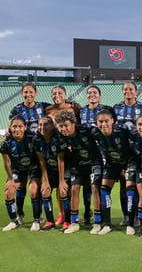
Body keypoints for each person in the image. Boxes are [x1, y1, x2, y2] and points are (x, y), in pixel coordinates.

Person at [90, 109, 136, 235]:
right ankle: (107, 224)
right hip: (112, 163)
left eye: (106, 121)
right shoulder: (94, 133)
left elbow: (137, 139)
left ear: (112, 121)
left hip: (128, 161)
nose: (103, 124)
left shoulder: (122, 130)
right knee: (104, 190)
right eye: (100, 121)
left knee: (130, 189)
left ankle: (131, 223)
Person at [55, 111, 101, 234]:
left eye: (66, 125)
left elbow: (102, 139)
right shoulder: (61, 137)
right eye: (60, 126)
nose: (63, 129)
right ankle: (74, 223)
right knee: (74, 189)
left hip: (94, 163)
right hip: (78, 165)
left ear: (73, 124)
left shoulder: (87, 130)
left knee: (95, 188)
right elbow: (60, 158)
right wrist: (61, 181)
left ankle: (97, 222)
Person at [46, 85, 84, 226]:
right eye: (54, 93)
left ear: (65, 94)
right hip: (57, 148)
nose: (57, 95)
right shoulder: (47, 109)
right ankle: (62, 214)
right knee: (59, 185)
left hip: (73, 148)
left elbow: (79, 124)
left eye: (60, 92)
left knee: (74, 184)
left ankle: (77, 214)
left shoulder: (74, 107)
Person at [113, 81, 142, 226]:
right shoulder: (116, 108)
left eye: (131, 89)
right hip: (122, 151)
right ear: (122, 92)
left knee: (141, 184)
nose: (128, 91)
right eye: (125, 89)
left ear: (136, 92)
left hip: (140, 151)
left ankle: (139, 216)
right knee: (124, 182)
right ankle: (127, 215)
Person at [0, 116, 42, 232]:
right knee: (9, 192)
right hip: (17, 169)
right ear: (10, 127)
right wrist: (10, 178)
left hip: (33, 167)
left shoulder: (33, 138)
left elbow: (40, 158)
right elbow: (6, 162)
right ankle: (15, 220)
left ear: (25, 127)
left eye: (20, 126)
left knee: (33, 190)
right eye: (14, 126)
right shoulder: (5, 142)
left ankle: (37, 220)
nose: (17, 129)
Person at [33, 116, 69, 231]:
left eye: (45, 125)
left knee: (63, 191)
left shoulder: (58, 137)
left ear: (52, 126)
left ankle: (67, 222)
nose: (42, 127)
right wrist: (46, 181)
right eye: (40, 125)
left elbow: (61, 160)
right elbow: (41, 161)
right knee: (45, 191)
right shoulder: (36, 139)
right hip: (50, 170)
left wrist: (62, 181)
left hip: (66, 169)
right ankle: (50, 222)